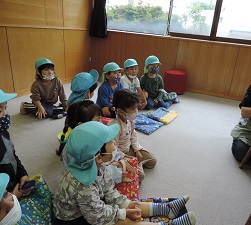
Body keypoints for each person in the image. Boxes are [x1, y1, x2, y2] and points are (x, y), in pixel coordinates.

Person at [53, 121, 196, 225]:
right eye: (111, 142)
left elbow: (110, 193)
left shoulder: (98, 165)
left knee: (131, 205)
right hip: (75, 220)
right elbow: (97, 217)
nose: (115, 143)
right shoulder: (83, 185)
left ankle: (167, 209)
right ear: (98, 156)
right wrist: (123, 213)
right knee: (123, 221)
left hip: (90, 207)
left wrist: (127, 204)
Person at [109, 89, 157, 182]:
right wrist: (126, 157)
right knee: (140, 176)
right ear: (120, 111)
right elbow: (113, 149)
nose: (136, 111)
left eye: (136, 108)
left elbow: (133, 135)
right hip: (119, 155)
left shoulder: (129, 120)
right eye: (133, 109)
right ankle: (136, 164)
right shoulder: (114, 126)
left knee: (152, 161)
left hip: (130, 148)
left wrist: (137, 149)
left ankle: (137, 163)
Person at [56, 70, 99, 156]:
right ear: (87, 93)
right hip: (78, 129)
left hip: (69, 124)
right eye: (93, 91)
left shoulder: (74, 98)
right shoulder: (84, 109)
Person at [0, 89, 32, 199]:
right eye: (0, 110)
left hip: (13, 185)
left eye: (5, 108)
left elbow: (12, 156)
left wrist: (22, 174)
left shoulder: (3, 133)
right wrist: (12, 197)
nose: (6, 114)